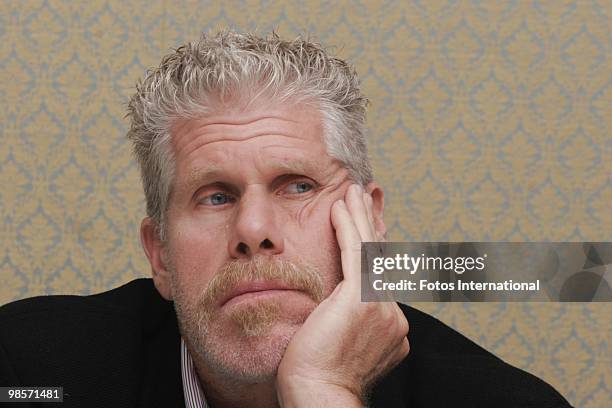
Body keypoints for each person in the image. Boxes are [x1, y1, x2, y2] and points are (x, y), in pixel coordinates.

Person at [0, 31, 570, 408]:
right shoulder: (25, 366)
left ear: (367, 224)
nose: (253, 230)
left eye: (297, 186)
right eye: (215, 196)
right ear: (161, 255)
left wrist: (325, 390)